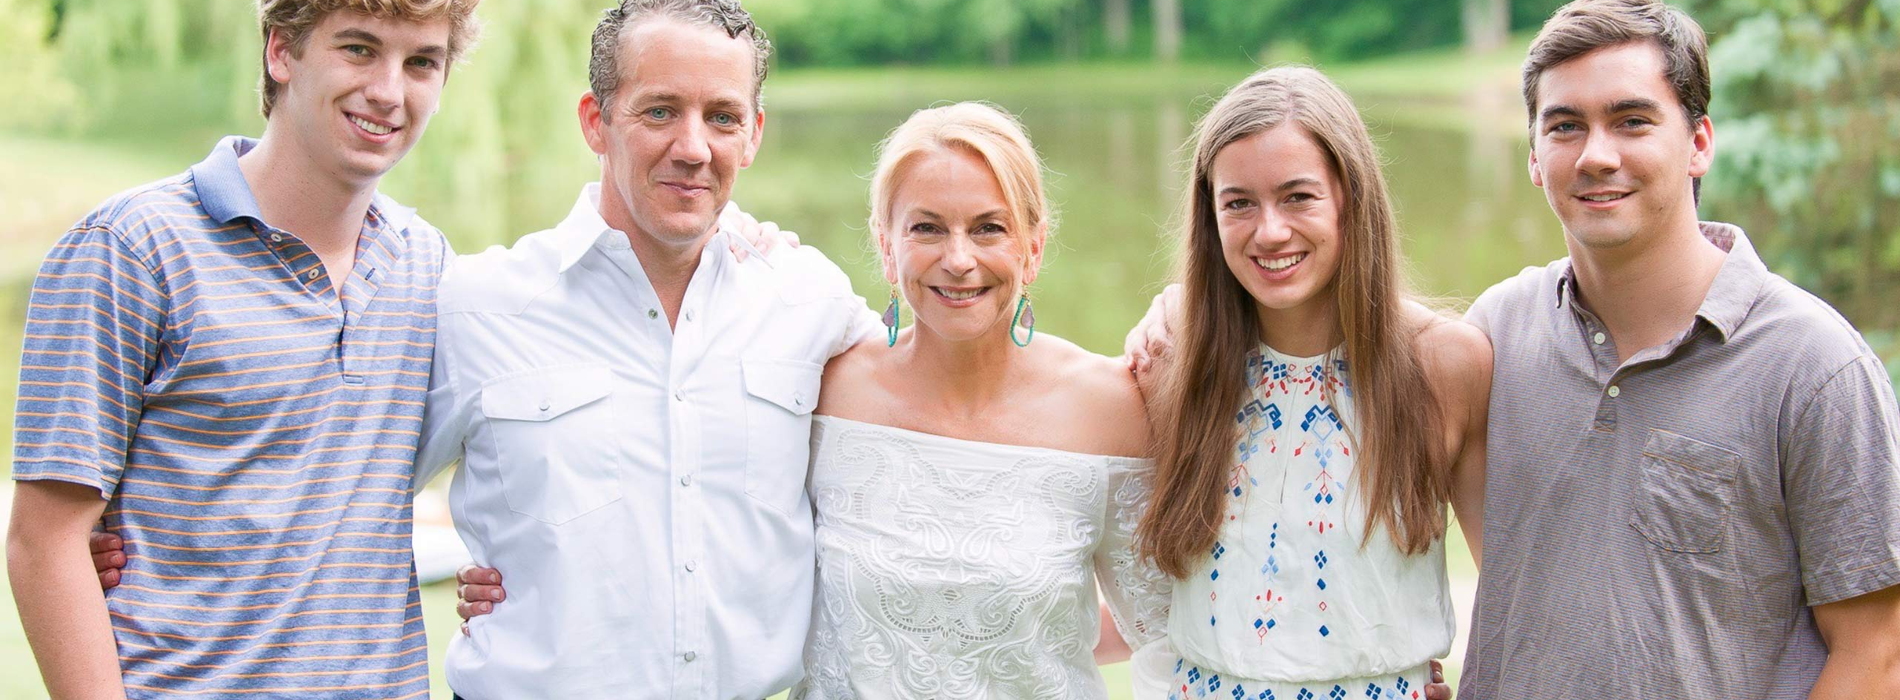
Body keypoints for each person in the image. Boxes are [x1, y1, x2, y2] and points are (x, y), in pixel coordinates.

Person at [7, 1, 480, 697]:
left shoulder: (427, 267)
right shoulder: (130, 252)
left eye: (420, 63)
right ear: (280, 51)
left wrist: (509, 571)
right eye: (357, 49)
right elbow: (45, 542)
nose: (388, 90)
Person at [408, 1, 881, 697]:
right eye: (660, 111)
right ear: (596, 122)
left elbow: (939, 406)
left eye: (722, 117)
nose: (693, 147)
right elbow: (344, 505)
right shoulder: (478, 306)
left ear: (752, 135)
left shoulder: (808, 299)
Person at [1454, 0, 1900, 695]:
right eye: (1566, 126)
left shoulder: (1813, 366)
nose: (1597, 155)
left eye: (1632, 121)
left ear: (1698, 143)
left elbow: (1876, 654)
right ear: (1536, 158)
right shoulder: (1496, 335)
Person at [791, 101, 1172, 697]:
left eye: (989, 228)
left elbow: (1166, 622)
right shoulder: (824, 388)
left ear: (1034, 247)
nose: (959, 259)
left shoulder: (1111, 406)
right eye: (927, 228)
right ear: (886, 247)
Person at [1132, 66, 1489, 699]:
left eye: (1298, 196)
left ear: (1350, 199)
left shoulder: (1444, 365)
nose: (1269, 231)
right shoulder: (1175, 362)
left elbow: (1509, 592)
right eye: (1238, 202)